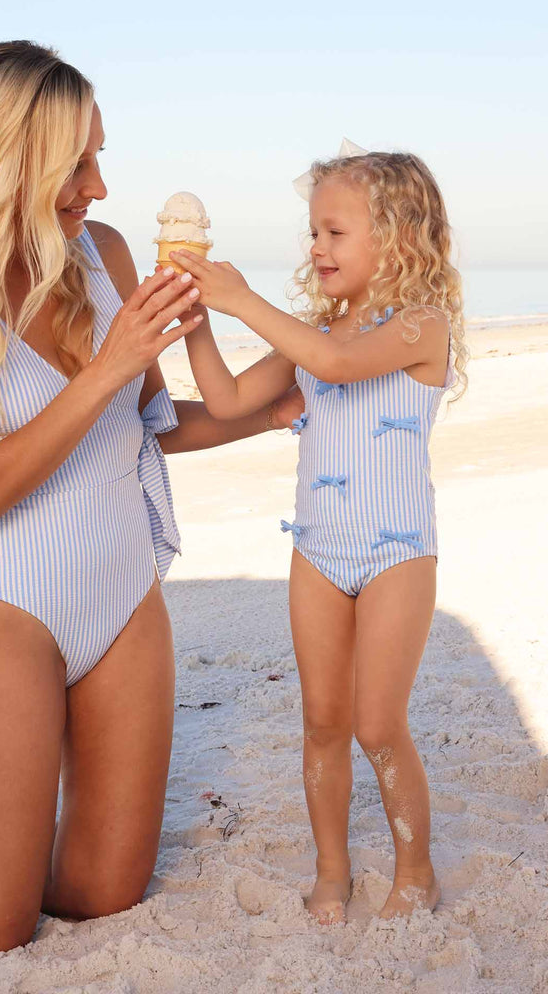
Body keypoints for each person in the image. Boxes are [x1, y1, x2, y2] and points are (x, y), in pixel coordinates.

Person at [0, 40, 302, 958]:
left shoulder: (107, 254)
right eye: (76, 163)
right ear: (10, 160)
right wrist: (109, 367)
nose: (100, 185)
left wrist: (268, 411)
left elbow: (154, 420)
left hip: (124, 595)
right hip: (10, 606)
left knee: (103, 894)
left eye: (98, 155)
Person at [173, 146, 467, 923]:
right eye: (312, 233)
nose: (316, 249)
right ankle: (331, 871)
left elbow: (335, 366)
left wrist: (239, 299)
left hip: (398, 551)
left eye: (334, 233)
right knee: (324, 721)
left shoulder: (419, 325)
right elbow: (231, 398)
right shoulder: (316, 334)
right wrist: (198, 323)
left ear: (397, 237)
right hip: (317, 550)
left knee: (377, 722)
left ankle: (417, 870)